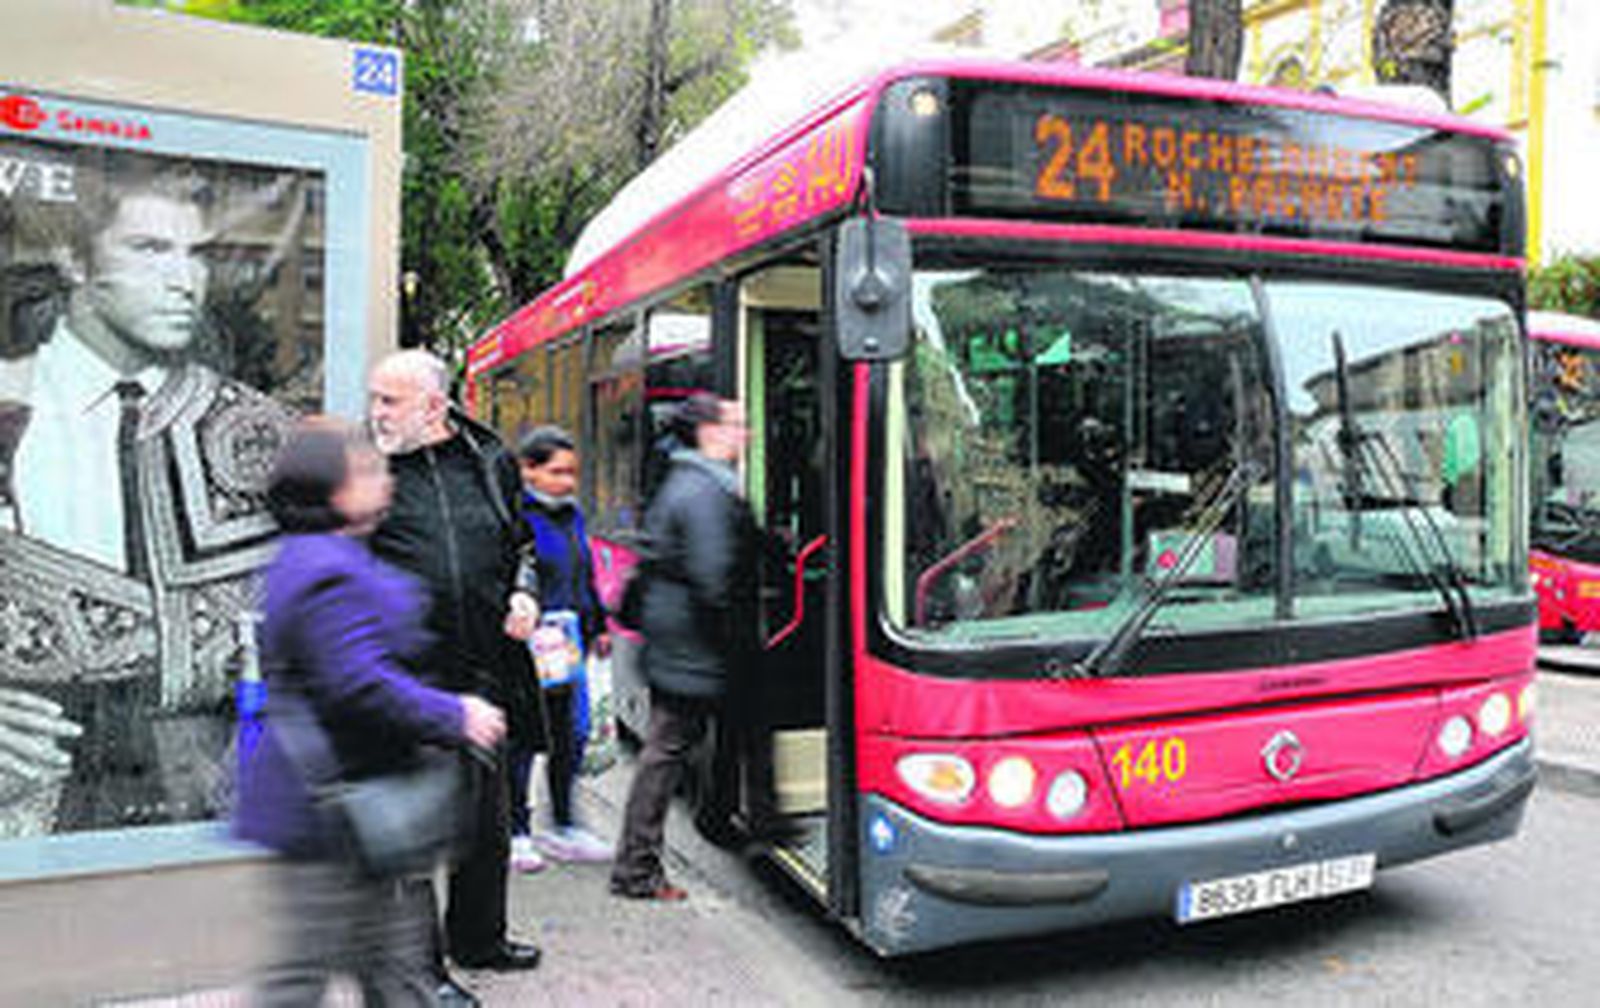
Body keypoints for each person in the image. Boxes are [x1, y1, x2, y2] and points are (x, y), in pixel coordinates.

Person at [0, 165, 294, 834]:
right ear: (76, 261)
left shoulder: (254, 427)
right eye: (150, 249)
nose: (184, 279)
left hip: (205, 793)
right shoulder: (11, 403)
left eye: (196, 255)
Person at [235, 416, 506, 1006]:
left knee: (387, 970)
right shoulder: (325, 569)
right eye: (367, 470)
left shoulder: (318, 555)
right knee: (308, 978)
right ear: (332, 489)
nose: (383, 479)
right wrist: (455, 713)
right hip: (335, 809)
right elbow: (358, 683)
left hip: (353, 807)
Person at [366, 350, 544, 1004]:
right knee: (412, 835)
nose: (376, 413)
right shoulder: (366, 471)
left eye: (391, 401)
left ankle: (479, 940)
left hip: (484, 673)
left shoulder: (489, 460)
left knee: (483, 824)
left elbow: (522, 544)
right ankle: (423, 977)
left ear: (435, 407)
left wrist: (526, 592)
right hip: (407, 679)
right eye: (375, 398)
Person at [610, 393, 781, 901]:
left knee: (735, 732)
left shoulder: (689, 481)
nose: (745, 434)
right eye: (736, 424)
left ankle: (728, 820)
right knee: (667, 751)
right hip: (697, 644)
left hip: (683, 639)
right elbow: (714, 578)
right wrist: (738, 649)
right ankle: (636, 868)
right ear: (708, 432)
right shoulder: (705, 491)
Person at [511, 426, 612, 868]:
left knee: (568, 737)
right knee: (525, 742)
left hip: (569, 648)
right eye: (556, 472)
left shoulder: (571, 515)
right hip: (528, 647)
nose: (567, 482)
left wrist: (599, 626)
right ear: (527, 471)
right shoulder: (515, 517)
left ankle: (565, 825)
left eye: (572, 473)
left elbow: (583, 574)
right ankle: (516, 830)